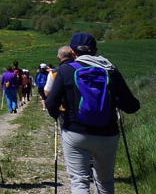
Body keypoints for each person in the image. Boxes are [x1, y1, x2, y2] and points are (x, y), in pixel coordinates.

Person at [46, 33, 140, 194]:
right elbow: (132, 106)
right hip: (107, 133)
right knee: (105, 181)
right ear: (95, 51)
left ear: (73, 53)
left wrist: (59, 115)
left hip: (75, 131)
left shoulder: (66, 70)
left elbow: (51, 103)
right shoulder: (110, 70)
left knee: (79, 180)